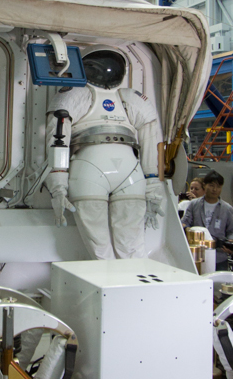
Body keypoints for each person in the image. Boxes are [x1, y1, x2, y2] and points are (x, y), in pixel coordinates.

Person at [44, 49, 165, 260]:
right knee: (132, 247)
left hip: (89, 168)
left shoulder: (74, 94)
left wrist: (59, 185)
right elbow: (152, 145)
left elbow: (58, 139)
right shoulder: (131, 99)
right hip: (128, 170)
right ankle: (132, 287)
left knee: (100, 249)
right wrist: (153, 186)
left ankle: (116, 286)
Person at [181, 170, 233, 269]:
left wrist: (230, 242)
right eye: (211, 185)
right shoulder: (194, 204)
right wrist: (187, 230)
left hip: (219, 257)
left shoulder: (227, 209)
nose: (215, 189)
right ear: (204, 185)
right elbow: (185, 222)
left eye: (218, 187)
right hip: (197, 256)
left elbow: (232, 230)